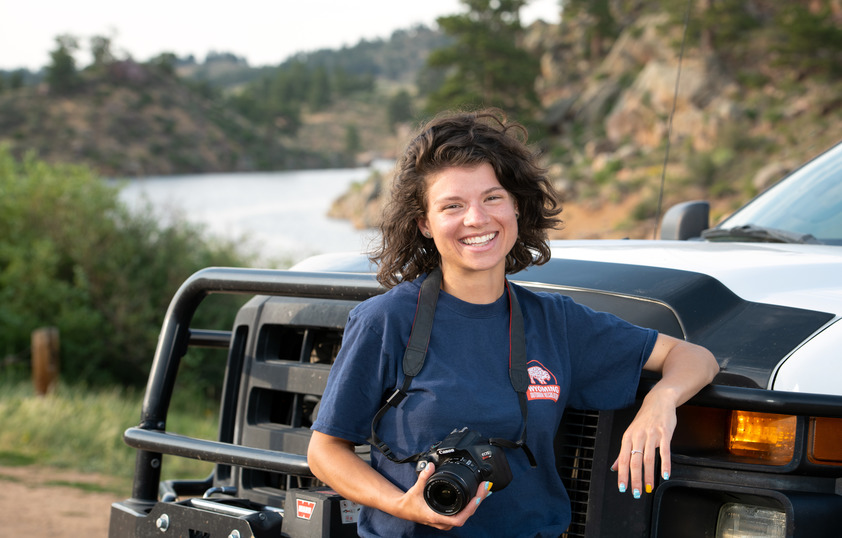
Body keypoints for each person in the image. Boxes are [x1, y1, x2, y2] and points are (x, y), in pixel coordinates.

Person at [308, 108, 719, 537]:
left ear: (517, 207)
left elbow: (693, 357)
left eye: (492, 198)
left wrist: (660, 403)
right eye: (452, 206)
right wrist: (403, 505)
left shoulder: (555, 321)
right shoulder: (386, 320)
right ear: (424, 224)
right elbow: (325, 451)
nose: (476, 219)